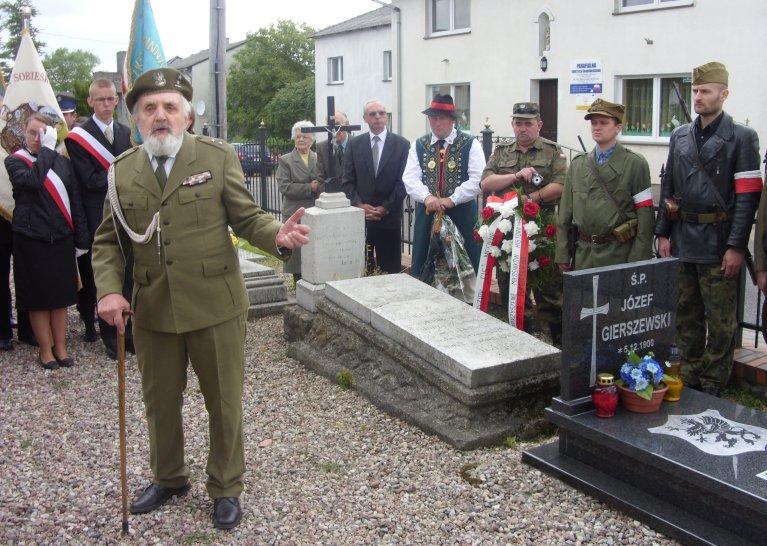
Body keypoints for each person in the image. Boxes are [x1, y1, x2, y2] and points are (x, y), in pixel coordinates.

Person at [92, 67, 310, 530]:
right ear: (136, 118)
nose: (160, 116)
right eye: (149, 108)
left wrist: (281, 236)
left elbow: (248, 218)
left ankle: (226, 485)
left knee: (223, 401)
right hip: (153, 308)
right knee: (159, 401)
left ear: (188, 116)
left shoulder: (217, 156)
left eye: (170, 107)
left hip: (215, 304)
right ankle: (169, 477)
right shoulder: (121, 171)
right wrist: (109, 290)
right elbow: (109, 242)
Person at [656, 62, 762, 397]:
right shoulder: (680, 135)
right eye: (696, 91)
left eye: (706, 91)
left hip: (718, 243)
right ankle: (689, 374)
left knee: (720, 321)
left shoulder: (742, 138)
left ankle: (714, 381)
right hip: (684, 237)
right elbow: (668, 187)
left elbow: (747, 199)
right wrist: (662, 233)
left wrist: (735, 245)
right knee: (686, 314)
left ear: (724, 94)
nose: (698, 97)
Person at [5, 113, 89, 368]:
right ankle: (45, 350)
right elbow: (32, 181)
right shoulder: (14, 161)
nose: (37, 138)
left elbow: (75, 201)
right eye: (32, 132)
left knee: (61, 297)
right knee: (39, 298)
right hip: (32, 239)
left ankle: (61, 347)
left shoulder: (63, 164)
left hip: (60, 238)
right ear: (24, 133)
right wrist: (48, 150)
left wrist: (81, 238)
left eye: (44, 134)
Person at [481, 102, 567, 342]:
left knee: (550, 294)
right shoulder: (501, 152)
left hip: (543, 233)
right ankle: (520, 344)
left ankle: (558, 348)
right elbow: (486, 183)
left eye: (528, 123)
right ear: (512, 125)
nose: (522, 128)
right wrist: (515, 176)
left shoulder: (552, 152)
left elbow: (560, 186)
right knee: (513, 292)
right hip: (508, 234)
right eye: (518, 123)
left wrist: (530, 198)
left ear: (539, 125)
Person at [65, 78, 132, 357]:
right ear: (90, 101)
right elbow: (89, 180)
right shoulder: (79, 137)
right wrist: (124, 180)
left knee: (128, 276)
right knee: (103, 279)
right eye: (100, 99)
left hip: (127, 215)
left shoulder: (127, 132)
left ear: (116, 100)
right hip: (97, 217)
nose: (106, 104)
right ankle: (109, 340)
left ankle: (128, 335)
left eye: (110, 98)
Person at [555, 99, 654, 271]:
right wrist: (563, 252)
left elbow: (645, 216)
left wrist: (638, 259)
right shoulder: (578, 164)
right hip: (584, 254)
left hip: (618, 254)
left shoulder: (635, 164)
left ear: (618, 128)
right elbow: (565, 214)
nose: (597, 127)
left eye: (603, 122)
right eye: (594, 123)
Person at [402, 93, 485, 278]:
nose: (436, 123)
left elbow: (478, 179)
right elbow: (410, 178)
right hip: (428, 216)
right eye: (432, 118)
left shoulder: (470, 144)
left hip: (462, 216)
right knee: (425, 264)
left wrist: (452, 199)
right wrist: (428, 197)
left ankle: (467, 303)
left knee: (466, 265)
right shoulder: (419, 145)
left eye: (441, 118)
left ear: (451, 120)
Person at [341, 100, 409, 273]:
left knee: (390, 270)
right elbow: (347, 180)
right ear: (365, 118)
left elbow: (404, 182)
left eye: (381, 113)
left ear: (386, 117)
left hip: (389, 218)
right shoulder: (354, 145)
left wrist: (386, 207)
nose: (377, 117)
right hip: (361, 218)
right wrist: (359, 205)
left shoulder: (402, 145)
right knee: (362, 268)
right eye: (372, 114)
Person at [276, 120, 318, 282]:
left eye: (305, 136)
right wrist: (310, 188)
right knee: (297, 253)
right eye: (298, 136)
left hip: (315, 212)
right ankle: (298, 283)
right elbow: (285, 187)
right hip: (294, 213)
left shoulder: (318, 157)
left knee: (313, 249)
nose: (301, 139)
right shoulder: (285, 160)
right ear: (293, 138)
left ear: (312, 139)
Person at [316, 110, 349, 193]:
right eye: (330, 126)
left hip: (354, 201)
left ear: (347, 124)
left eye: (337, 124)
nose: (334, 129)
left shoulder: (358, 144)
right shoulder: (322, 147)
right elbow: (321, 179)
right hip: (331, 198)